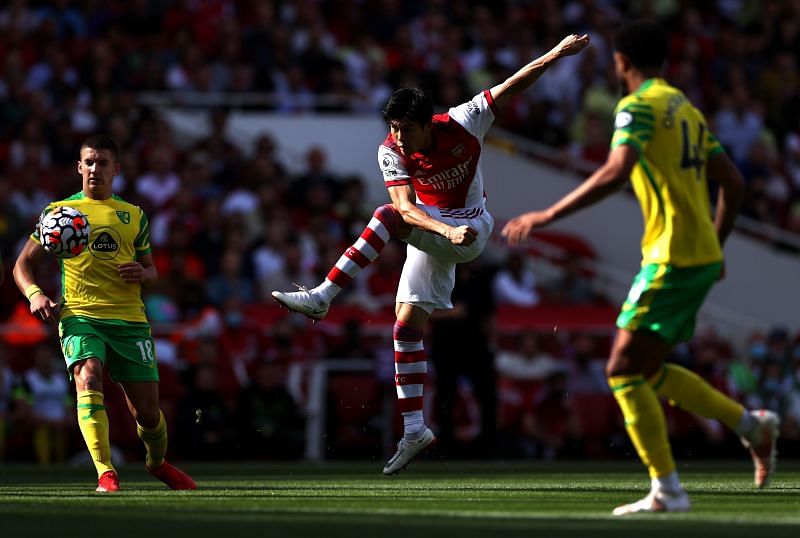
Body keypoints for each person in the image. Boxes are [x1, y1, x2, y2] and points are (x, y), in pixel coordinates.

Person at [272, 33, 591, 475]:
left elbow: (515, 82)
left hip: (473, 228)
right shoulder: (390, 151)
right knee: (406, 324)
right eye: (393, 128)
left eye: (405, 128)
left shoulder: (464, 121)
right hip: (437, 230)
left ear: (427, 123)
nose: (397, 137)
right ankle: (415, 429)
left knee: (383, 216)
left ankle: (324, 294)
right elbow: (407, 208)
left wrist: (555, 54)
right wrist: (444, 228)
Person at [502, 20, 779, 515]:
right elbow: (733, 183)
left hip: (671, 256)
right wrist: (715, 247)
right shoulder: (686, 108)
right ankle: (751, 427)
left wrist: (546, 215)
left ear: (621, 61)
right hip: (696, 256)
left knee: (623, 370)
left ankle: (668, 489)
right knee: (645, 369)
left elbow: (616, 171)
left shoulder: (638, 106)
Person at [13, 135, 195, 492]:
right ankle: (105, 471)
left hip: (129, 321)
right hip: (79, 315)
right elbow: (21, 265)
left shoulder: (133, 215)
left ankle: (157, 463)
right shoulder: (58, 213)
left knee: (147, 414)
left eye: (103, 163)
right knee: (89, 375)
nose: (96, 169)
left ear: (117, 169)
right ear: (79, 167)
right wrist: (35, 295)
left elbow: (153, 271)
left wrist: (144, 275)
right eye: (90, 162)